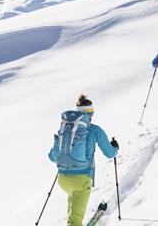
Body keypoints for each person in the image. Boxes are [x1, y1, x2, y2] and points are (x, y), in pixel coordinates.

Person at [49, 94, 119, 226]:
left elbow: (52, 157)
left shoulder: (65, 130)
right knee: (75, 222)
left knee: (72, 200)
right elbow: (110, 154)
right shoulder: (95, 130)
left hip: (63, 179)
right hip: (81, 181)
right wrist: (115, 148)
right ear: (90, 113)